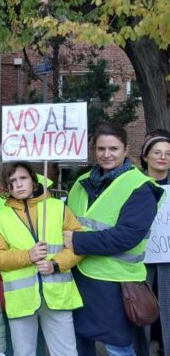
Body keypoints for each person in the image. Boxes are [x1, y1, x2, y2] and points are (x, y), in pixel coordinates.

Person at [65, 122, 164, 356]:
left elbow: (127, 236)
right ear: (94, 150)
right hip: (78, 278)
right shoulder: (81, 183)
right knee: (79, 343)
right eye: (101, 149)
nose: (106, 154)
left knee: (117, 348)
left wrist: (78, 242)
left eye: (113, 149)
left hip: (115, 284)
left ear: (126, 150)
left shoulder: (141, 187)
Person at [0, 161, 83, 356]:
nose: (19, 184)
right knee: (24, 353)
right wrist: (28, 256)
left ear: (33, 180)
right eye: (12, 181)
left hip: (57, 295)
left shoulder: (58, 208)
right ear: (7, 187)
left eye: (23, 178)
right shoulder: (0, 219)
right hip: (21, 299)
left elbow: (79, 245)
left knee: (66, 353)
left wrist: (55, 264)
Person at [139, 131, 170, 356]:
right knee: (141, 311)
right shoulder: (133, 185)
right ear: (146, 156)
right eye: (157, 152)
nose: (163, 157)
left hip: (168, 262)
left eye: (168, 153)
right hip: (140, 262)